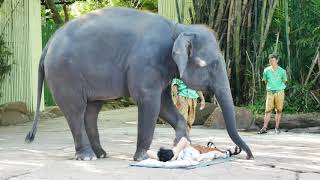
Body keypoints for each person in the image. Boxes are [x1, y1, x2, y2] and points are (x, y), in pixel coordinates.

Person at [258, 54, 287, 134]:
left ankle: (277, 127)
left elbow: (284, 81)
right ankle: (264, 128)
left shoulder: (282, 71)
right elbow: (265, 81)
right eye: (270, 60)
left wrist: (278, 87)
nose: (271, 62)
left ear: (277, 61)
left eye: (273, 60)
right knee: (267, 110)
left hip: (280, 91)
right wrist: (271, 87)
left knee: (279, 110)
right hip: (270, 92)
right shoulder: (266, 70)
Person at [146, 137, 241, 162]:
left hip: (193, 147)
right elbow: (200, 158)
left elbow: (148, 151)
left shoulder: (174, 152)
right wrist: (174, 156)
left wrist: (176, 151)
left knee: (203, 147)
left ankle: (212, 148)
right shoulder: (188, 159)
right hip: (198, 152)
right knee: (215, 152)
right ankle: (228, 153)